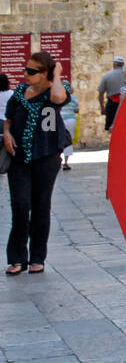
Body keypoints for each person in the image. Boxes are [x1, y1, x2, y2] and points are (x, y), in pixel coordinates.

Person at [5, 50, 68, 275]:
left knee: (41, 207)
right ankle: (16, 257)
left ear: (44, 74)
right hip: (19, 158)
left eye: (32, 72)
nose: (25, 74)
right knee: (20, 205)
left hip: (46, 157)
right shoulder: (21, 92)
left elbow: (59, 98)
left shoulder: (54, 92)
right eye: (26, 69)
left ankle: (37, 257)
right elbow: (9, 117)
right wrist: (6, 133)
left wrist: (58, 74)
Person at [97, 55, 126, 131]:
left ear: (114, 64)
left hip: (112, 104)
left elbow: (101, 94)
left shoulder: (107, 76)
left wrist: (102, 108)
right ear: (123, 64)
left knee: (112, 128)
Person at [59, 86, 80, 171]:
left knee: (58, 140)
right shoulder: (74, 98)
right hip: (71, 120)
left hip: (59, 120)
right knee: (68, 140)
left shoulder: (58, 97)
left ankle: (58, 160)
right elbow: (76, 110)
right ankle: (66, 162)